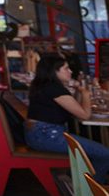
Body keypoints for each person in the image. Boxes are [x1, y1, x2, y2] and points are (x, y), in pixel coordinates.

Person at [25, 53, 109, 181]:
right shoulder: (54, 89)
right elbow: (85, 115)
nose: (70, 71)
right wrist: (86, 94)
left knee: (95, 149)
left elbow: (75, 109)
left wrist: (78, 91)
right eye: (66, 68)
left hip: (39, 134)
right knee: (105, 154)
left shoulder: (46, 85)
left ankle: (79, 179)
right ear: (54, 71)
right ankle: (90, 189)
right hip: (47, 136)